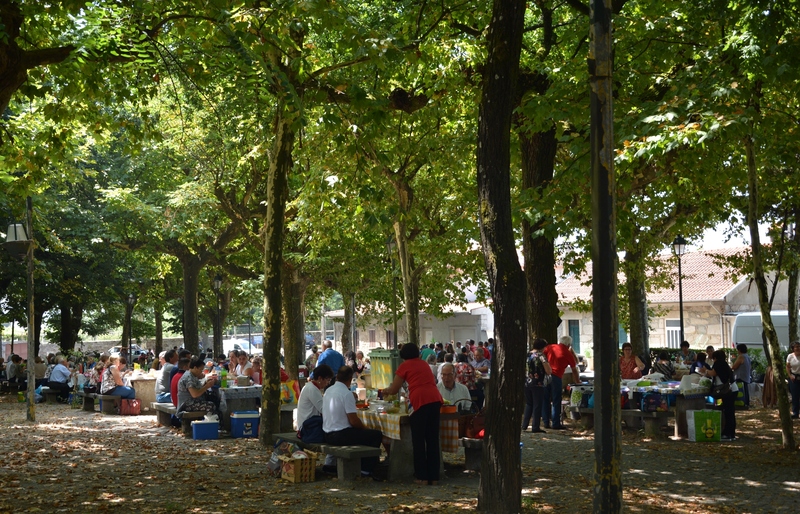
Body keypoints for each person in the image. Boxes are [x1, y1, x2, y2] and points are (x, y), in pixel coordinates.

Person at [382, 343, 442, 485]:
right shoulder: (424, 364)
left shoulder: (405, 366)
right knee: (432, 439)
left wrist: (386, 390)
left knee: (419, 439)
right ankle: (434, 477)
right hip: (434, 398)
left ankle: (422, 476)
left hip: (419, 400)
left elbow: (394, 389)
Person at [323, 366, 384, 478]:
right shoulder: (346, 394)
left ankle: (366, 465)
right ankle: (366, 469)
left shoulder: (328, 390)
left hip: (327, 433)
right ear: (350, 379)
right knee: (376, 435)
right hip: (340, 435)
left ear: (337, 377)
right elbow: (354, 421)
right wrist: (366, 428)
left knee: (365, 435)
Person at [543, 336, 581, 430]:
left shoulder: (550, 347)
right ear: (568, 344)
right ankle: (555, 423)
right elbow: (574, 369)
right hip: (556, 377)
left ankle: (546, 422)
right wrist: (577, 381)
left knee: (545, 399)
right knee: (556, 400)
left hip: (546, 376)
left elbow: (542, 356)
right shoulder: (567, 353)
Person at [700, 350, 737, 440]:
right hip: (732, 389)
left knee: (728, 412)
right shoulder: (724, 363)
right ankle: (731, 433)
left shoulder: (719, 363)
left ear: (715, 358)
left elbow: (713, 373)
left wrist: (706, 371)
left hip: (728, 390)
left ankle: (728, 434)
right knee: (730, 412)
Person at [523, 339, 552, 433]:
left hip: (527, 382)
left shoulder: (527, 355)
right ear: (542, 347)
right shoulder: (541, 356)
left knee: (529, 403)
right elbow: (548, 370)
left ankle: (524, 425)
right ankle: (535, 426)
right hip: (538, 382)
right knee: (537, 405)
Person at [786, 341, 800, 419]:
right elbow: (788, 367)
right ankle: (795, 413)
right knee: (795, 396)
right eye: (796, 347)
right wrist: (790, 375)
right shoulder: (790, 356)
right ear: (793, 349)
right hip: (794, 378)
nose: (798, 348)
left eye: (799, 346)